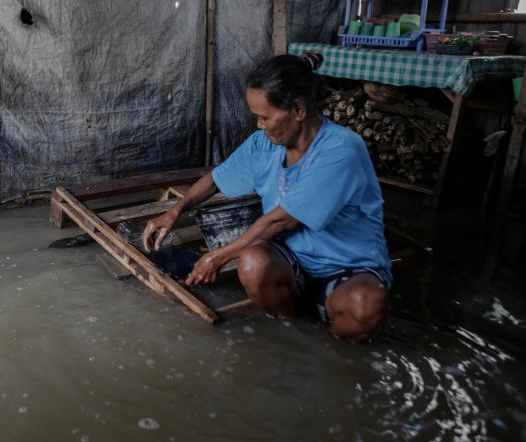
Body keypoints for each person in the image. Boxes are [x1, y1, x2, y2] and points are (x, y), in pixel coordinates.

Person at [142, 53, 391, 342]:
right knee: (252, 263)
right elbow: (215, 179)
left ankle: (329, 345)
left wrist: (218, 256)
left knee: (366, 306)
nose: (259, 125)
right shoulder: (264, 144)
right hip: (292, 261)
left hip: (346, 267)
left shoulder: (341, 150)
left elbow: (281, 221)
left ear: (298, 109)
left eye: (265, 117)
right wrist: (176, 210)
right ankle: (296, 332)